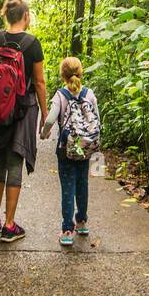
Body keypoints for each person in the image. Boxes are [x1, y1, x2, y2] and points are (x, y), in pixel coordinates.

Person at [0, 0, 46, 242]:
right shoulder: (32, 44)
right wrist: (45, 115)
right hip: (22, 110)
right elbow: (39, 83)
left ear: (6, 15)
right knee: (15, 163)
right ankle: (9, 225)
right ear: (26, 16)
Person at [39, 56, 99, 247]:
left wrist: (44, 133)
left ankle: (67, 230)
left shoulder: (60, 95)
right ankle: (81, 222)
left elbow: (50, 120)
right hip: (85, 146)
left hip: (66, 148)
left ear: (62, 75)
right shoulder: (89, 94)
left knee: (68, 188)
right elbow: (97, 119)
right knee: (83, 184)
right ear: (81, 73)